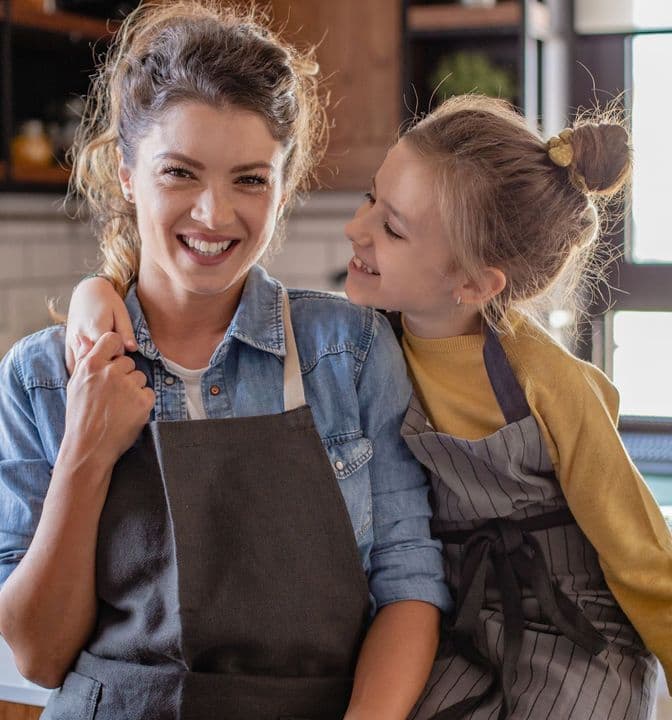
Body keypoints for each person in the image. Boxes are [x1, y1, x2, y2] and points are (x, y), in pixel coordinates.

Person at [70, 94, 672, 719]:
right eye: (370, 200)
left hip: (570, 634)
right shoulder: (364, 342)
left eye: (393, 227)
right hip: (462, 629)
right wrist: (95, 293)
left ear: (471, 284)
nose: (357, 229)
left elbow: (644, 561)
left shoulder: (549, 383)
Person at [0, 3, 452, 719]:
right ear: (125, 172)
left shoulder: (351, 349)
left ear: (284, 181)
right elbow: (38, 655)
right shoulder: (43, 378)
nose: (214, 215)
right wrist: (86, 450)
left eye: (249, 179)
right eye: (180, 173)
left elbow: (409, 587)